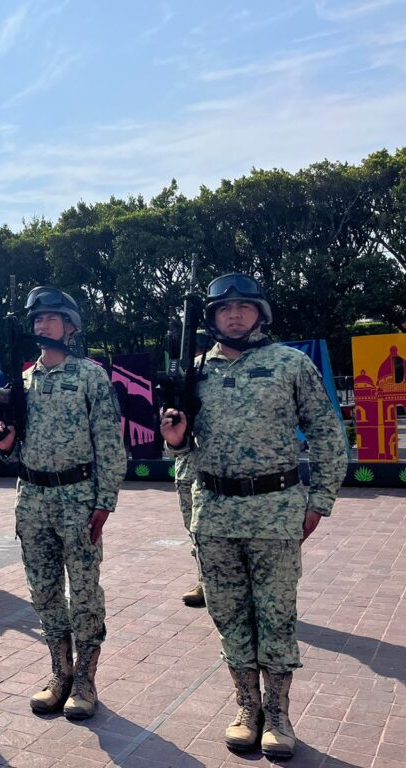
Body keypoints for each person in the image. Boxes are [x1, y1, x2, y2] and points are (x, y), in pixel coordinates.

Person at [161, 273, 348, 758]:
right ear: (212, 319)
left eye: (244, 307)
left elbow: (327, 433)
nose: (235, 315)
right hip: (214, 512)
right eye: (225, 309)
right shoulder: (193, 372)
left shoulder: (290, 364)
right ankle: (248, 706)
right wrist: (175, 439)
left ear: (260, 314)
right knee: (228, 614)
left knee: (276, 615)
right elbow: (181, 445)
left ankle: (278, 714)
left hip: (274, 511)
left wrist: (319, 500)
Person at [0, 287, 126, 719]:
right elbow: (13, 448)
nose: (42, 325)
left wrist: (105, 500)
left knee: (84, 591)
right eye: (37, 319)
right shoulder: (22, 381)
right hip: (32, 499)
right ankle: (60, 672)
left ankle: (85, 679)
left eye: (51, 318)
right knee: (44, 590)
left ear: (70, 326)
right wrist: (6, 446)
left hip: (78, 497)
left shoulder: (90, 376)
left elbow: (110, 444)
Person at [175, 329, 212, 608]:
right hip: (185, 469)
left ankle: (215, 585)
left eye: (199, 348)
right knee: (194, 531)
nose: (196, 354)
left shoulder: (213, 377)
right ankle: (204, 581)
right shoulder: (183, 379)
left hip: (208, 472)